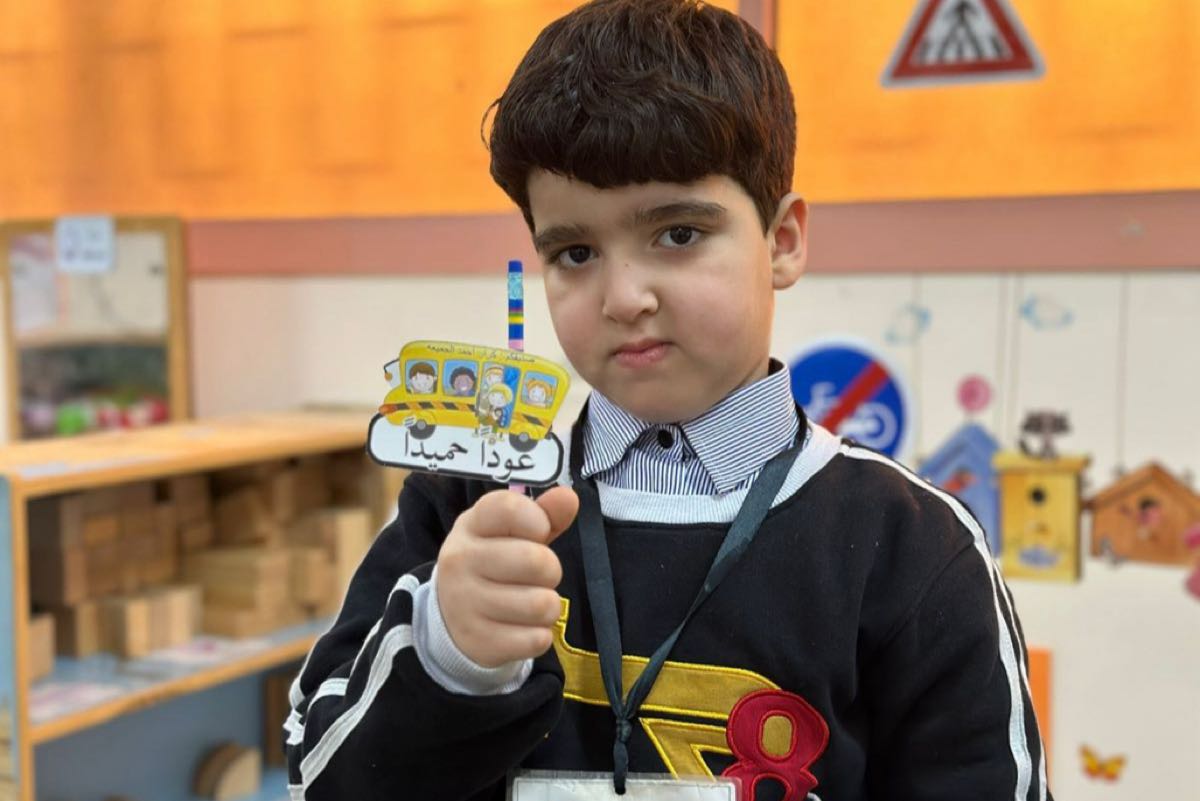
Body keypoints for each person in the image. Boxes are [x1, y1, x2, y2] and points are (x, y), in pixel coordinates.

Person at [284, 2, 1051, 799]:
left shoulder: (912, 546)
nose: (624, 297)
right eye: (575, 251)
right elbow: (313, 778)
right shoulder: (467, 511)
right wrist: (446, 658)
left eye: (678, 233)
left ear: (782, 241)